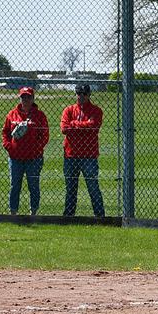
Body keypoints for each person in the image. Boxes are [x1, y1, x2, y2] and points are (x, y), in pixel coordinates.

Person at [2, 87, 49, 215]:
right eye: (23, 97)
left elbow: (45, 135)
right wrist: (9, 147)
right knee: (15, 186)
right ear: (20, 98)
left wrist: (35, 150)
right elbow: (5, 132)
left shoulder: (39, 115)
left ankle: (33, 212)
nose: (26, 100)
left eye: (28, 97)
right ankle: (13, 212)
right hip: (15, 157)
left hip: (34, 158)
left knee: (33, 186)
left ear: (33, 99)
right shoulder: (12, 114)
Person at [60, 83, 104, 217]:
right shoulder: (69, 110)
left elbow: (94, 127)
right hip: (71, 155)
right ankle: (69, 216)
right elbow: (64, 129)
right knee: (71, 188)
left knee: (93, 187)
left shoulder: (96, 110)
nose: (81, 97)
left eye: (84, 94)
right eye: (79, 94)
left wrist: (74, 124)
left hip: (89, 156)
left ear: (89, 94)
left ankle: (100, 215)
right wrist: (84, 126)